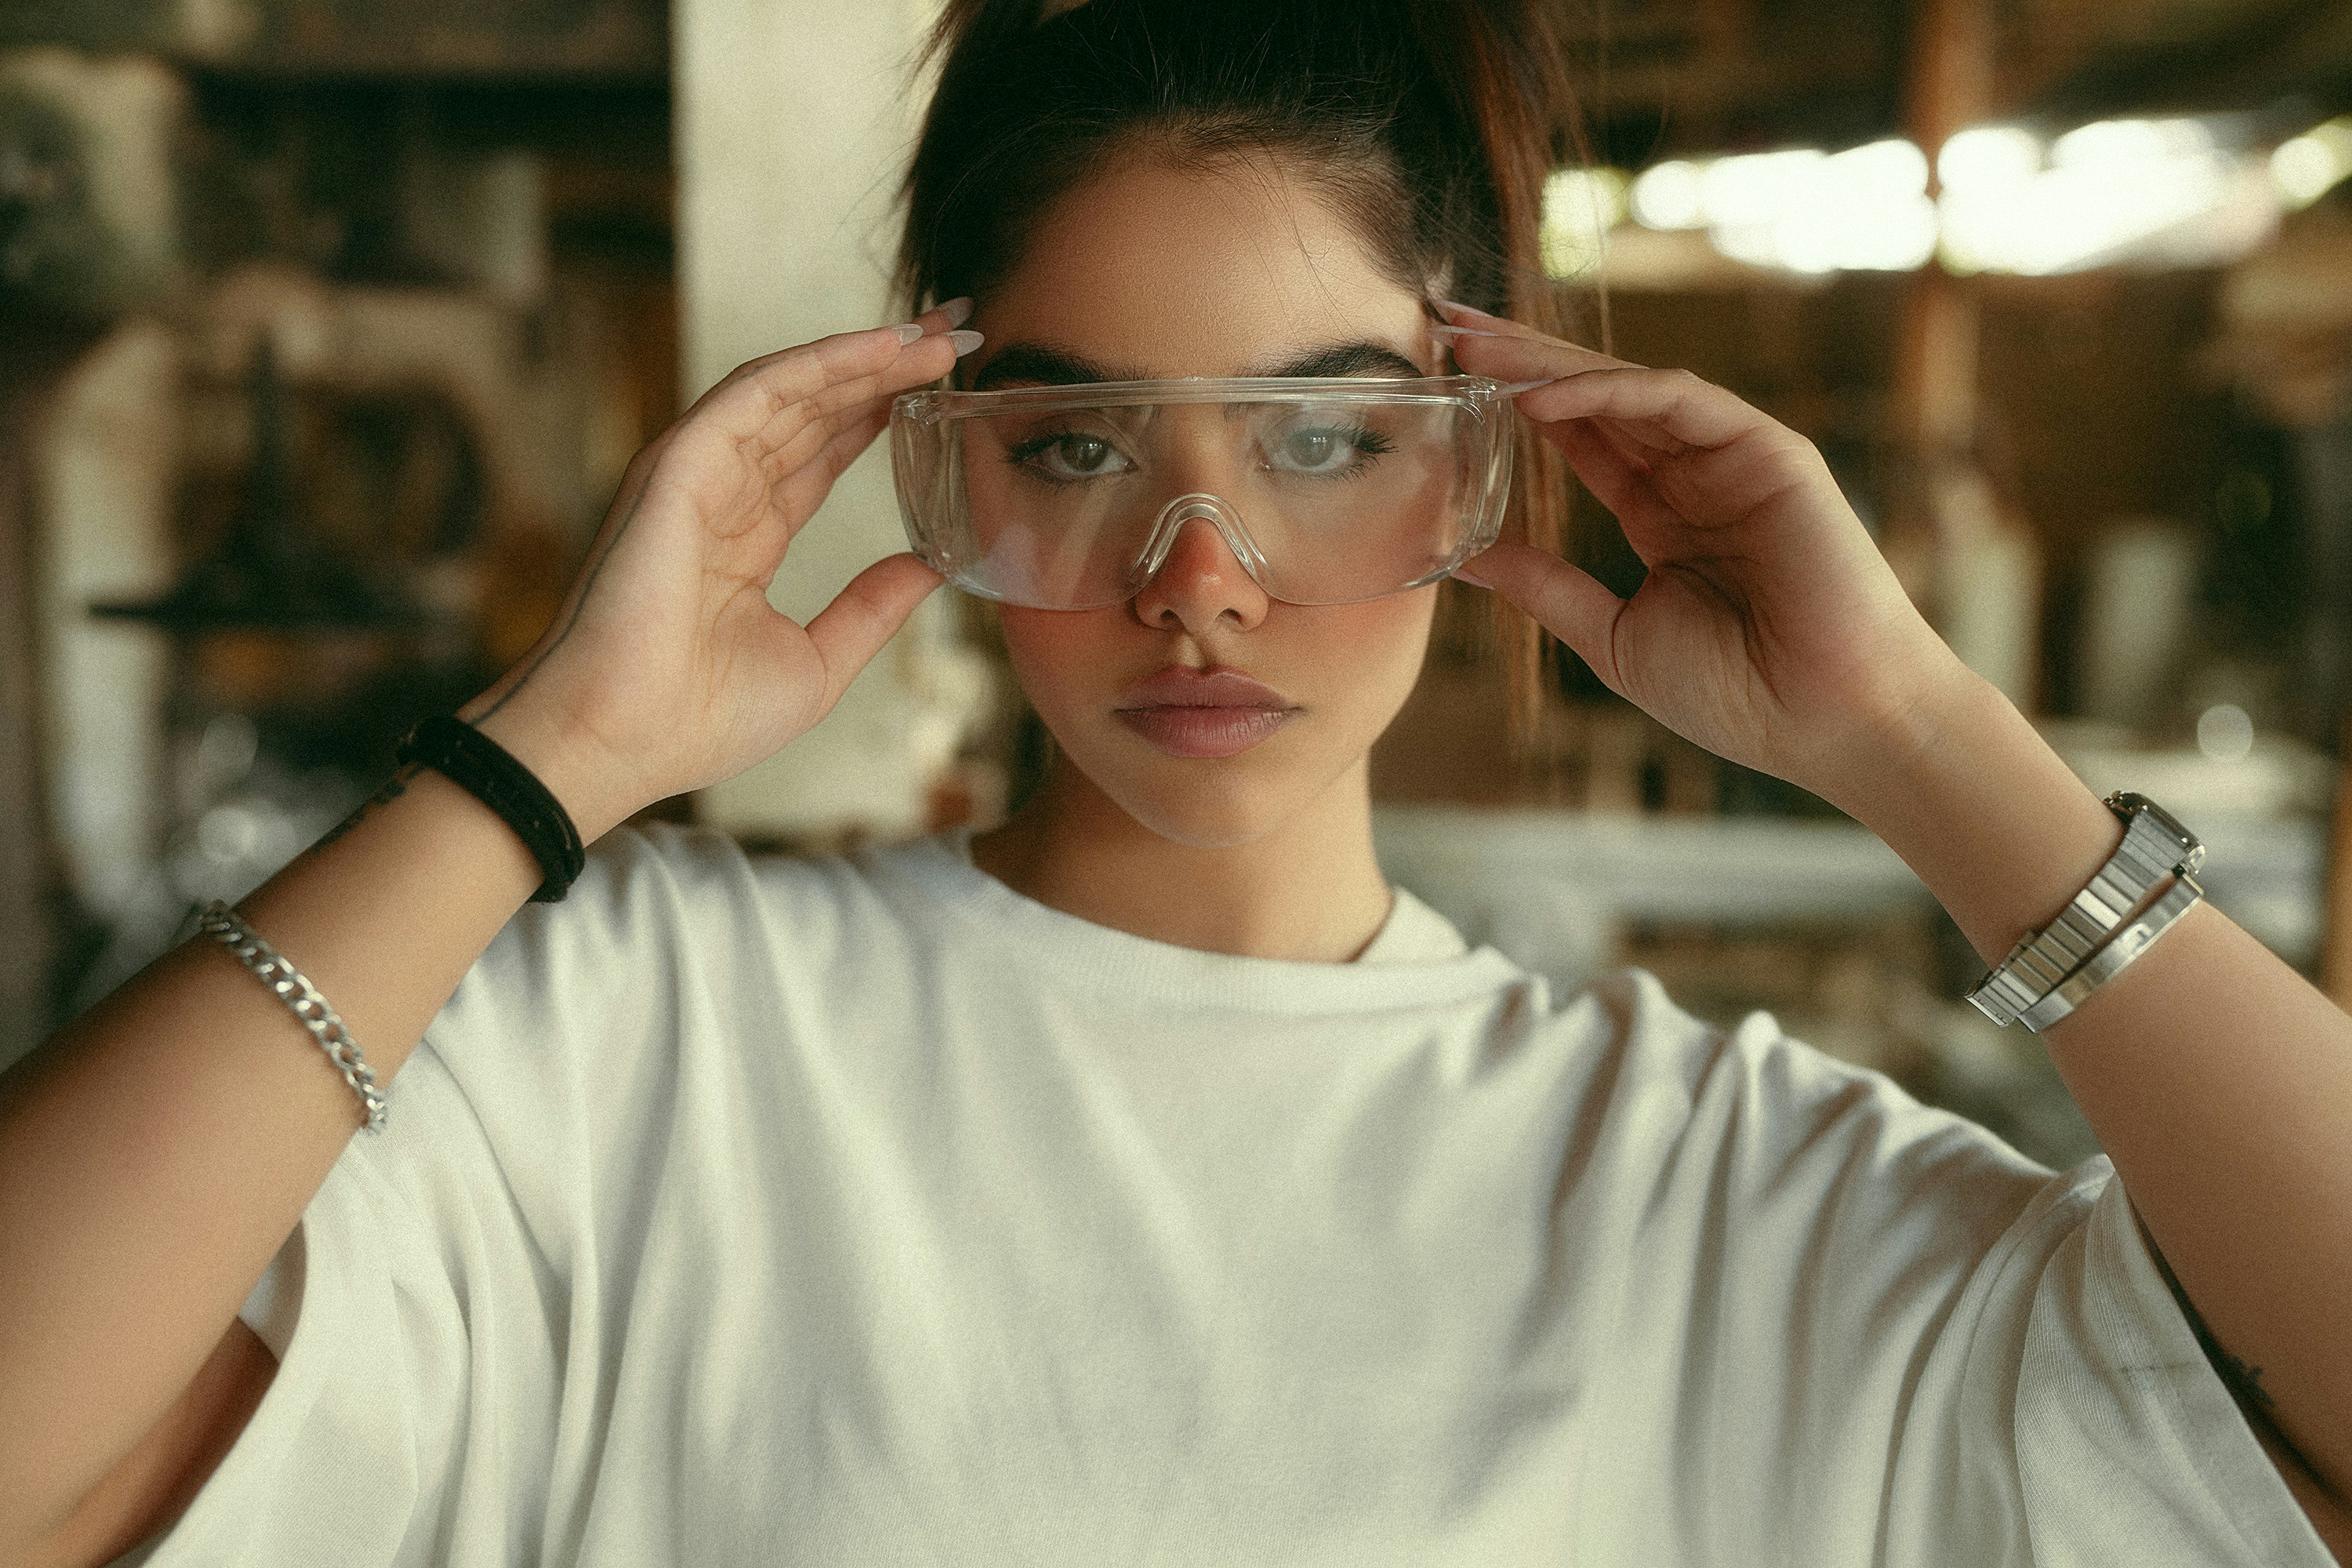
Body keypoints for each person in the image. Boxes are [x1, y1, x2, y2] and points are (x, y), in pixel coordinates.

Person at [3, 0, 2348, 1562]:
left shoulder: (1750, 1195)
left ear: (1487, 471)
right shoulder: (626, 1046)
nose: (1196, 575)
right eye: (1079, 438)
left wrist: (1926, 744)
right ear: (933, 460)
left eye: (1327, 437)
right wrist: (552, 760)